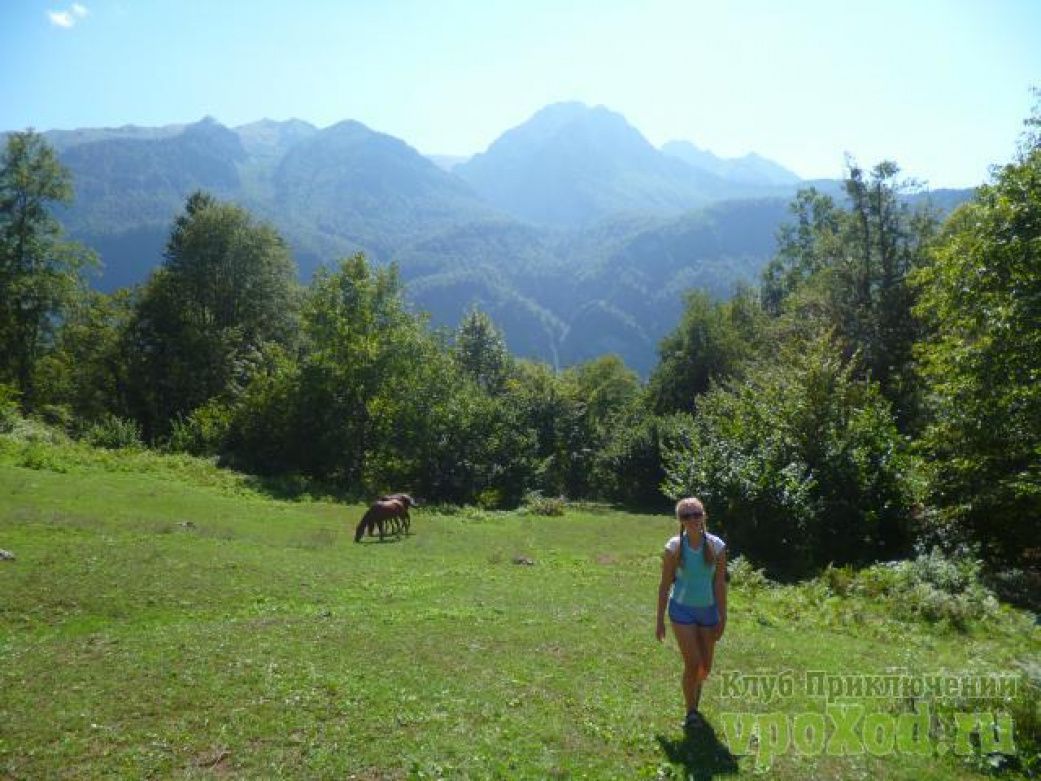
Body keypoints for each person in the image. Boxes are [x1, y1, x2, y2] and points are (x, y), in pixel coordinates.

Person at [655, 496, 727, 728]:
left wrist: (722, 617)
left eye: (697, 514)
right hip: (681, 611)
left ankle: (695, 704)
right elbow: (665, 584)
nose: (693, 519)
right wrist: (659, 620)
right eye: (687, 516)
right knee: (693, 663)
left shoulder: (717, 546)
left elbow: (719, 584)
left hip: (708, 613)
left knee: (705, 666)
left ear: (704, 515)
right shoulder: (674, 547)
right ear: (680, 520)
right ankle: (691, 713)